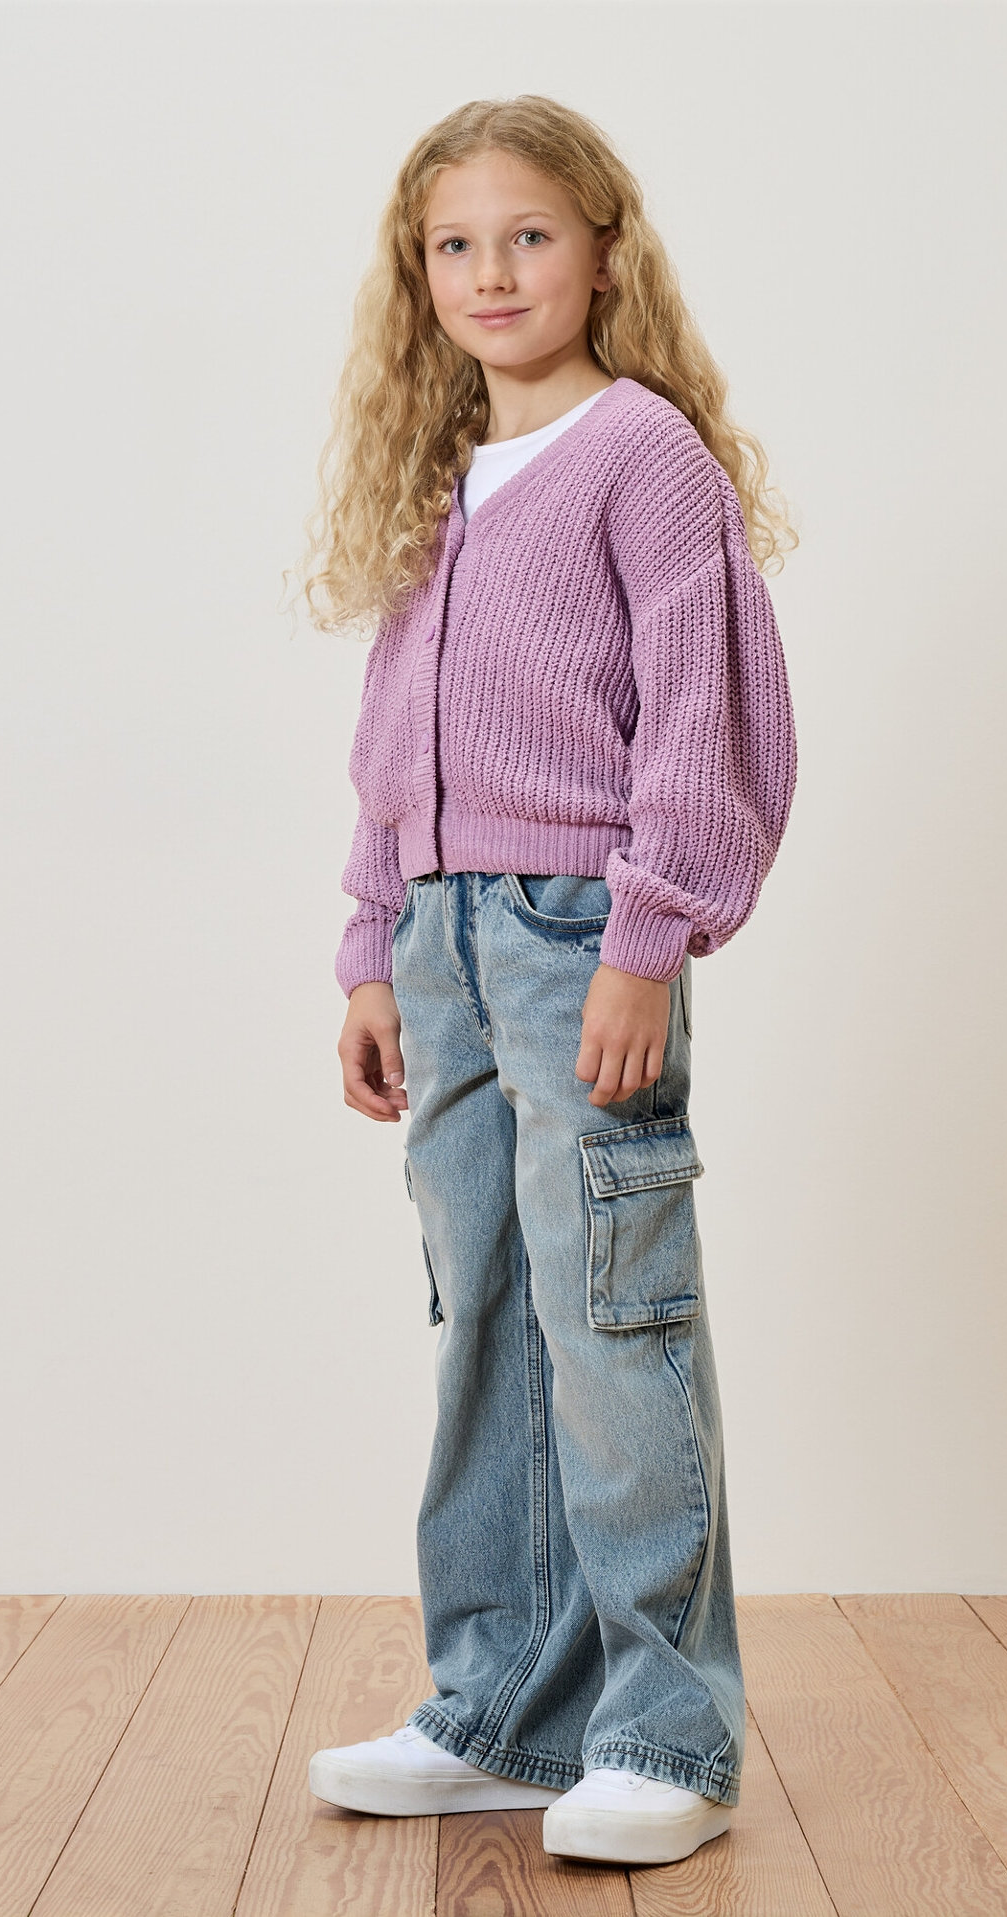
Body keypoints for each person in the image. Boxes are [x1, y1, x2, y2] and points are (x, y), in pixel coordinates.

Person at [296, 93, 798, 1869]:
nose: (489, 271)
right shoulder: (446, 484)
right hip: (438, 940)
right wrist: (372, 942)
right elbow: (390, 739)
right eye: (453, 245)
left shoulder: (639, 453)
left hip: (577, 931)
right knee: (490, 1319)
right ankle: (505, 1705)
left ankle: (666, 1729)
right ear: (415, 274)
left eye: (525, 235)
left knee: (613, 1312)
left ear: (601, 249)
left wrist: (649, 933)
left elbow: (704, 716)